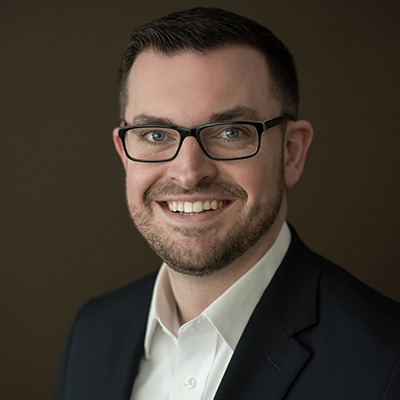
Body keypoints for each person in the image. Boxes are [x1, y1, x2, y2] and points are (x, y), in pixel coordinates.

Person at [56, 7, 400, 400]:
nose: (188, 173)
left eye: (230, 132)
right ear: (124, 152)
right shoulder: (92, 332)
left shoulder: (387, 361)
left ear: (291, 152)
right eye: (155, 135)